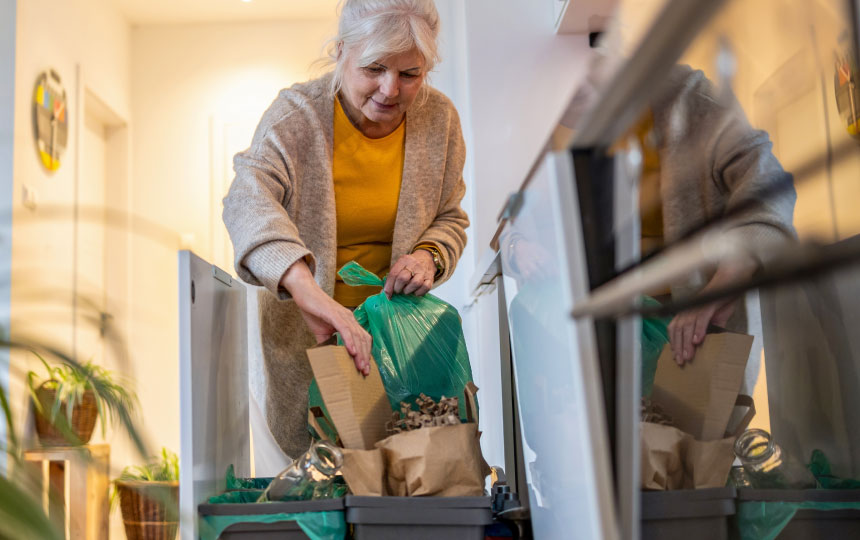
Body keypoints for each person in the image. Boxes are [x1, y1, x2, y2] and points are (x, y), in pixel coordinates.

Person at [222, 0, 468, 457]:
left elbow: (450, 216)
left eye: (410, 74)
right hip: (307, 341)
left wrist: (429, 255)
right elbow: (246, 199)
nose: (390, 89)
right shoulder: (297, 115)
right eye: (374, 68)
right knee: (318, 479)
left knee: (405, 478)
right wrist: (308, 292)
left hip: (399, 344)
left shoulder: (441, 120)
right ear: (340, 52)